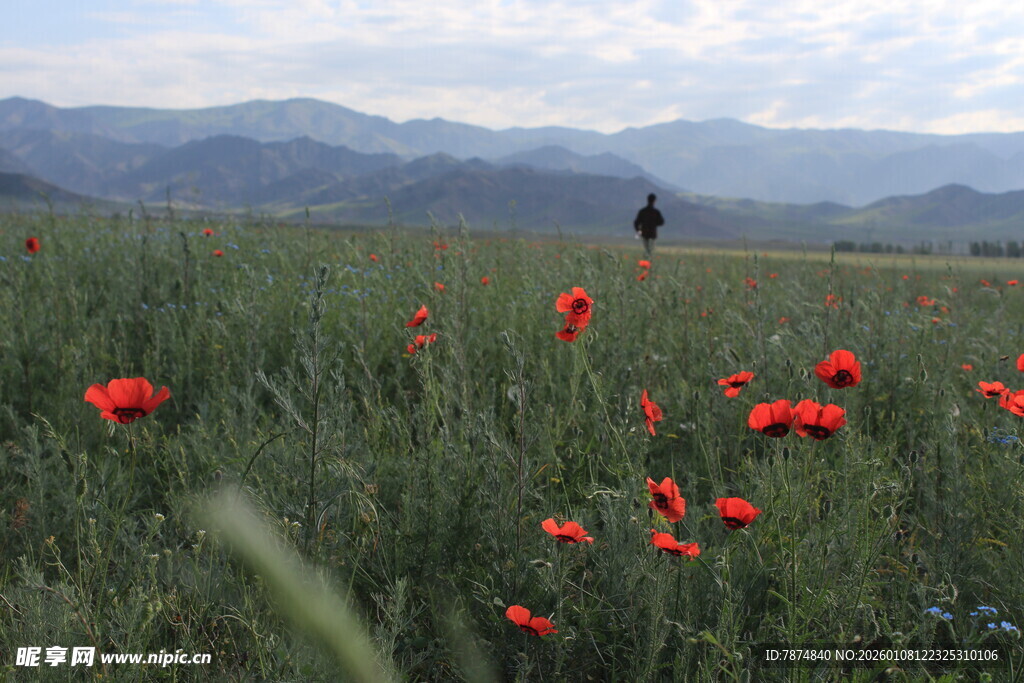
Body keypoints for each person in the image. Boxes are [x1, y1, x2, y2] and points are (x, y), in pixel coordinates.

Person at [634, 193, 664, 259]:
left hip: (645, 234)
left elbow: (636, 222)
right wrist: (654, 224)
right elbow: (661, 222)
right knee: (650, 250)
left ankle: (647, 261)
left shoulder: (643, 211)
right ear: (654, 201)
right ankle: (648, 262)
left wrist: (638, 230)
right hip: (652, 234)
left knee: (648, 249)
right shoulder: (656, 212)